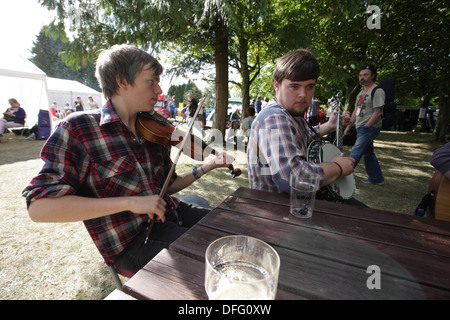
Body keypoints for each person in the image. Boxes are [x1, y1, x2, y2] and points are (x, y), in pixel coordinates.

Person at [22, 44, 234, 274]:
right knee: (218, 260)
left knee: (231, 228)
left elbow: (167, 187)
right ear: (122, 82)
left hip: (172, 213)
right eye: (151, 81)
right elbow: (39, 208)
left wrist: (206, 166)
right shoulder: (78, 129)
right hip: (132, 242)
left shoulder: (153, 129)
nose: (159, 90)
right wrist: (130, 203)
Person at [247, 49, 358, 205]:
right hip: (279, 211)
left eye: (310, 87)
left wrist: (330, 125)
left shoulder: (290, 114)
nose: (303, 95)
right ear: (277, 86)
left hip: (296, 204)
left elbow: (299, 138)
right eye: (294, 87)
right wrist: (338, 168)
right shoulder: (275, 119)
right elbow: (293, 178)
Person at [344, 65, 385, 185]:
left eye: (365, 75)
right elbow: (356, 110)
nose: (362, 78)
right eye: (361, 75)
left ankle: (343, 175)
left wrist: (367, 125)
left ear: (373, 76)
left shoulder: (378, 91)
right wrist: (349, 126)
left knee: (355, 152)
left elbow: (378, 112)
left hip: (370, 127)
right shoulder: (361, 92)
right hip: (360, 126)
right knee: (368, 153)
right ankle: (376, 178)